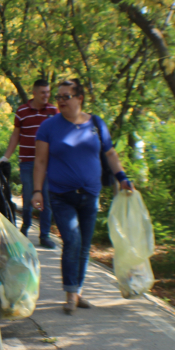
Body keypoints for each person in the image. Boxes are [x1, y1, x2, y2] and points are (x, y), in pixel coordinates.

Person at [32, 79, 135, 314]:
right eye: (58, 97)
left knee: (84, 246)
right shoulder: (48, 127)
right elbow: (40, 161)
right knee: (73, 240)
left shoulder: (96, 124)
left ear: (80, 98)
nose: (60, 101)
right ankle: (70, 293)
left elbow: (109, 152)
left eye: (65, 96)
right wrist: (37, 190)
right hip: (61, 195)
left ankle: (77, 291)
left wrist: (122, 177)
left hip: (90, 194)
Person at [0, 79, 58, 248]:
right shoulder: (22, 111)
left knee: (46, 198)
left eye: (48, 92)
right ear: (34, 92)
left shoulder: (53, 111)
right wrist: (5, 157)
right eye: (43, 92)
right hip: (27, 162)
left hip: (48, 163)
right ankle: (24, 229)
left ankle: (44, 235)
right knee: (28, 197)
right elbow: (15, 136)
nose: (46, 95)